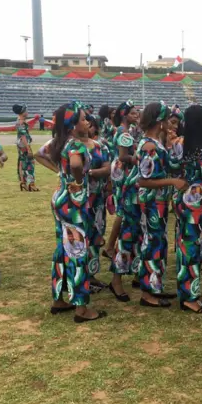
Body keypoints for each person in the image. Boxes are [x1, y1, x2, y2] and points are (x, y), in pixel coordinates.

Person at [45, 101, 105, 322]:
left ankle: (59, 298)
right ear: (72, 125)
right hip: (74, 203)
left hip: (60, 199)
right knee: (78, 251)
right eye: (82, 118)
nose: (87, 121)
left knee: (63, 249)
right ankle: (81, 308)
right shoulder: (76, 145)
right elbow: (76, 165)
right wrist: (79, 180)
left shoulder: (59, 142)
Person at [136, 102, 184, 308]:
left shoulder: (157, 142)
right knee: (152, 243)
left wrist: (173, 146)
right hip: (152, 202)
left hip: (159, 203)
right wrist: (172, 182)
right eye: (166, 120)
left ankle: (155, 284)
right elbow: (143, 180)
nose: (169, 124)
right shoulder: (149, 146)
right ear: (159, 121)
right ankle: (148, 293)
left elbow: (170, 166)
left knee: (158, 243)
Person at [170, 104, 202, 314]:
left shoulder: (179, 144)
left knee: (188, 246)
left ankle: (190, 291)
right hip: (196, 203)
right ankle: (189, 297)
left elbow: (173, 166)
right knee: (192, 249)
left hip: (183, 200)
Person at [107, 101, 142, 297]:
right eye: (133, 112)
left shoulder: (125, 131)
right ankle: (116, 274)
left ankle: (135, 271)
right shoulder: (124, 132)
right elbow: (122, 156)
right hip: (126, 179)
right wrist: (137, 156)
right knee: (126, 220)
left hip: (127, 179)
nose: (136, 114)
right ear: (124, 115)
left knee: (133, 226)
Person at [82, 115, 111, 293]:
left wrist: (89, 172)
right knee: (82, 237)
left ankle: (92, 274)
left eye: (92, 125)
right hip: (81, 199)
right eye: (87, 124)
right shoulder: (71, 147)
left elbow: (108, 169)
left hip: (97, 198)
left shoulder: (100, 147)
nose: (90, 128)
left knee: (96, 236)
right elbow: (42, 154)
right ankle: (83, 278)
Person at [13, 104, 38, 191]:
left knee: (23, 163)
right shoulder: (21, 122)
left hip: (21, 146)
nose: (27, 112)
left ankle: (23, 183)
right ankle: (31, 184)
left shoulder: (19, 121)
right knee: (30, 164)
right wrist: (29, 149)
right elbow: (23, 137)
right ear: (22, 112)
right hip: (24, 146)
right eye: (26, 111)